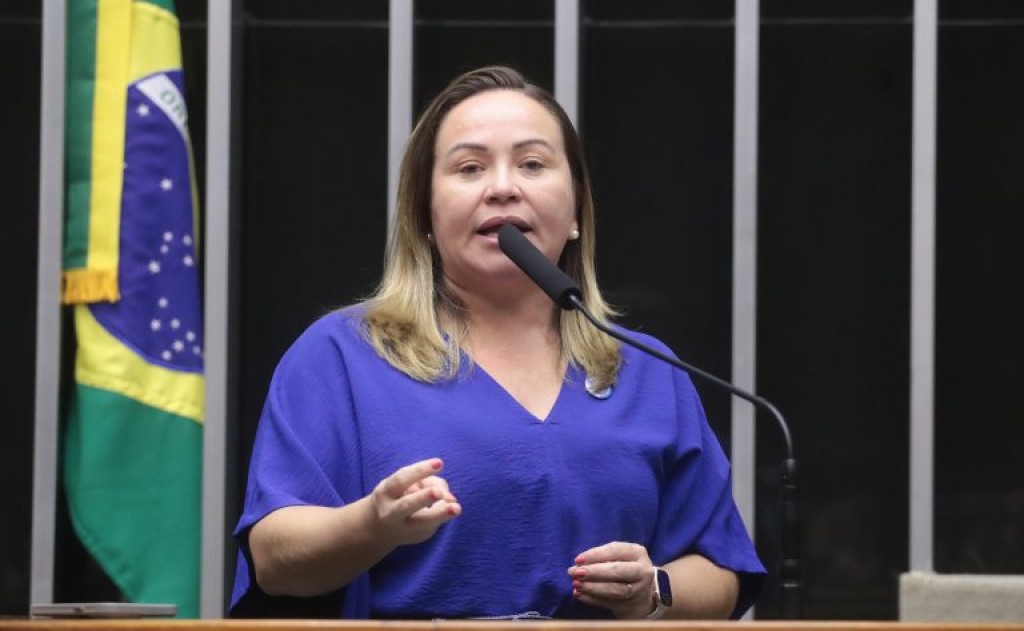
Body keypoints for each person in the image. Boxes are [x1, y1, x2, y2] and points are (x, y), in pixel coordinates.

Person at [229, 65, 766, 620]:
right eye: (470, 168)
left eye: (532, 164)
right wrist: (373, 524)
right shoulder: (341, 356)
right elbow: (273, 557)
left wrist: (654, 589)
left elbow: (721, 573)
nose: (503, 187)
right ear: (425, 214)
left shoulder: (647, 370)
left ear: (577, 208)